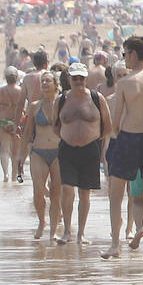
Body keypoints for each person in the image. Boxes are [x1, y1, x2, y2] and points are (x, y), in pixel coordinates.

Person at [103, 36, 143, 260]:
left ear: (133, 54)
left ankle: (115, 244)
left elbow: (116, 119)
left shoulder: (124, 83)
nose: (124, 58)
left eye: (125, 54)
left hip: (128, 137)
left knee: (116, 193)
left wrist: (111, 139)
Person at [53, 63, 111, 246]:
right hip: (67, 149)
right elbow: (55, 126)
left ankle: (81, 233)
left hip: (90, 149)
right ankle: (67, 231)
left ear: (86, 79)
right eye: (75, 78)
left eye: (81, 78)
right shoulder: (61, 99)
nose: (78, 81)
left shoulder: (96, 98)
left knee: (84, 193)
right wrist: (67, 137)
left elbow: (107, 126)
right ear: (69, 79)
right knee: (67, 189)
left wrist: (101, 149)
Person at [18, 71, 67, 242]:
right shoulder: (34, 106)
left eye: (48, 81)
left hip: (58, 152)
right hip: (38, 151)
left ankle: (53, 229)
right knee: (38, 191)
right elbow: (27, 132)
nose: (44, 83)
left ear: (56, 84)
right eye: (42, 81)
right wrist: (20, 155)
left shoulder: (63, 103)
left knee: (56, 193)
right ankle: (41, 222)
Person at [0, 67, 24, 182]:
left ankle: (5, 174)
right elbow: (23, 107)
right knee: (16, 151)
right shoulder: (20, 90)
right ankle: (14, 175)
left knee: (4, 150)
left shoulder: (0, 91)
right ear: (16, 77)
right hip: (16, 121)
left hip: (3, 121)